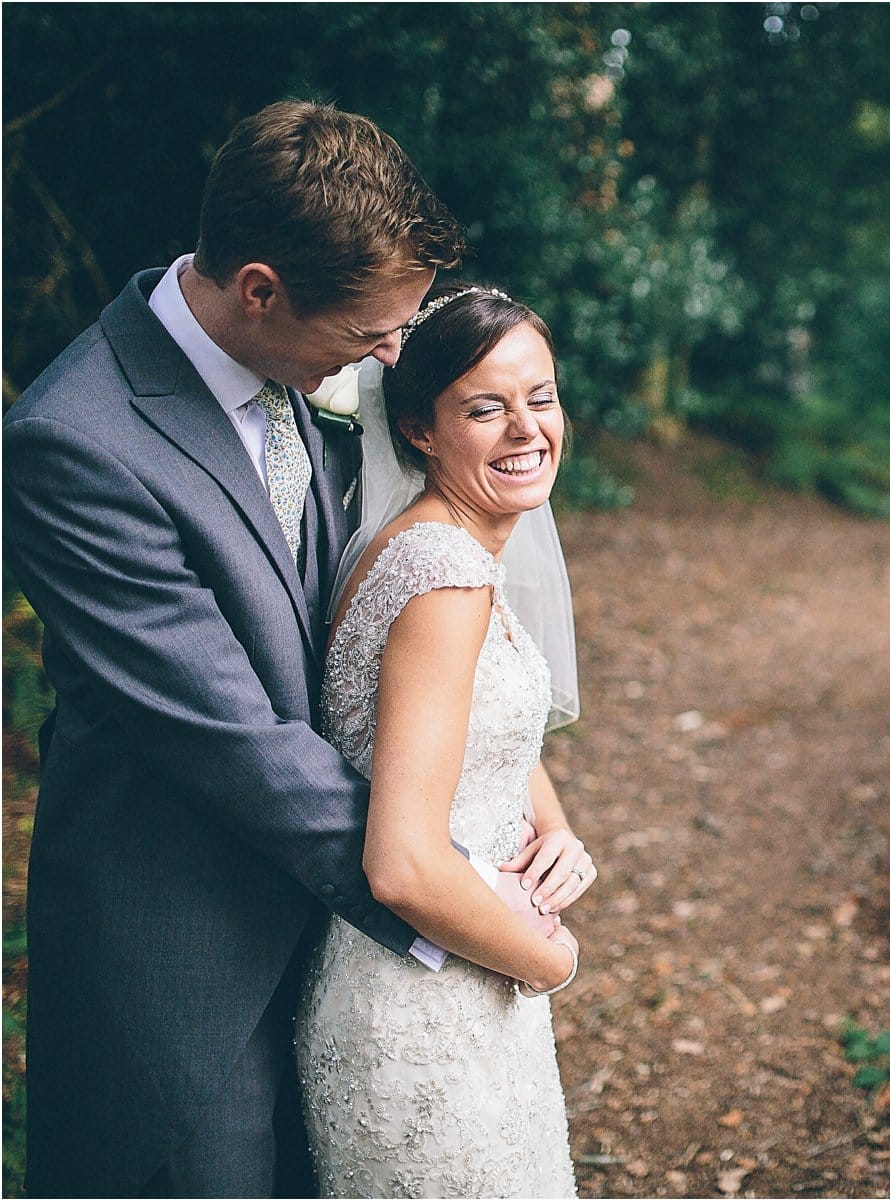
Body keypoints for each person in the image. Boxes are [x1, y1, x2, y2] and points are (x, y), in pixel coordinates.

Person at [1, 101, 580, 1198]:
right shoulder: (76, 443)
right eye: (373, 335)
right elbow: (233, 738)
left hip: (346, 951)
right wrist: (441, 895)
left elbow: (395, 638)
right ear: (260, 289)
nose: (395, 358)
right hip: (187, 964)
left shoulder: (314, 371)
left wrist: (521, 797)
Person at [293, 283, 589, 1196]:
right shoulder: (445, 580)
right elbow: (403, 865)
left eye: (540, 397)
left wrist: (555, 828)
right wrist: (552, 958)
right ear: (419, 428)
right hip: (427, 1009)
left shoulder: (428, 545)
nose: (526, 430)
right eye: (485, 408)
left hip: (457, 972)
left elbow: (478, 728)